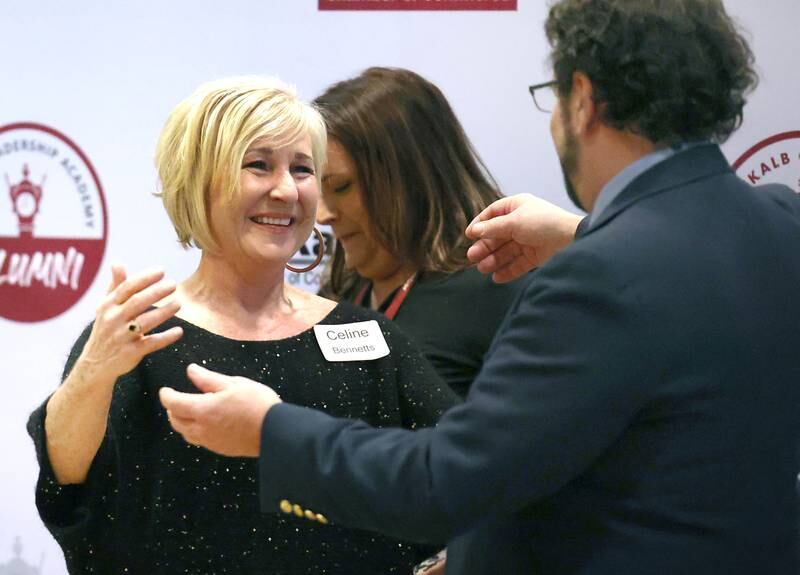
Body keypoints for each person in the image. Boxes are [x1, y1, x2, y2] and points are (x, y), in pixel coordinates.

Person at [160, 1, 800, 573]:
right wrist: (585, 232)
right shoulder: (779, 222)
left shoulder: (595, 280)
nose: (307, 201)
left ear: (583, 98)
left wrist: (270, 432)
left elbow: (445, 483)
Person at [26, 76, 457, 574]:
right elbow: (65, 480)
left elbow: (468, 471)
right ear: (197, 181)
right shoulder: (140, 334)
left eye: (302, 169)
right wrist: (92, 374)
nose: (286, 190)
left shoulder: (370, 338)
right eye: (258, 166)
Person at [315, 66, 534, 398]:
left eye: (342, 187)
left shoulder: (500, 284)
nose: (322, 215)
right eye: (316, 188)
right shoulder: (338, 292)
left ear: (410, 178)